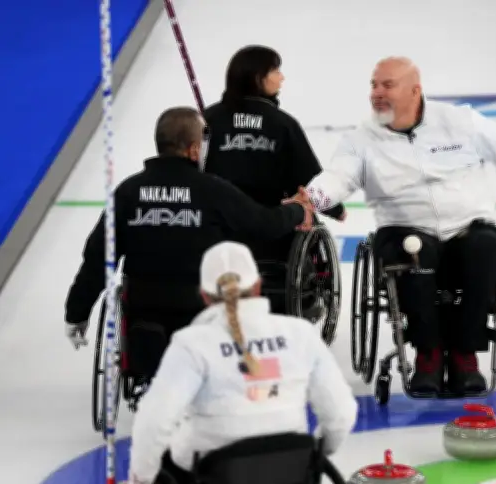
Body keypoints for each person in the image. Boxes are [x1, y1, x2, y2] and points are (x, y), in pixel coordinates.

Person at [287, 56, 496, 396]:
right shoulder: (361, 140)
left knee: (487, 248)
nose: (377, 93)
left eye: (388, 85)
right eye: (374, 85)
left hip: (467, 224)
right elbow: (338, 178)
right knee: (412, 255)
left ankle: (464, 355)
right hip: (404, 227)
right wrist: (311, 198)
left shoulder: (459, 121)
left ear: (415, 91)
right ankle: (428, 356)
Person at [64, 106, 314, 382]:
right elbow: (265, 224)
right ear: (194, 150)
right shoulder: (213, 190)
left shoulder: (128, 192)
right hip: (201, 316)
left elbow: (98, 258)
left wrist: (77, 312)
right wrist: (297, 210)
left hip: (144, 313)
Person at [123, 241, 358, 484]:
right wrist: (315, 454)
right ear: (257, 286)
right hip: (294, 482)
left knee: (167, 466)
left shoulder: (192, 344)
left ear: (204, 296)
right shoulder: (300, 333)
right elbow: (341, 413)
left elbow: (154, 420)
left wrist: (139, 480)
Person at [201, 45, 346, 310]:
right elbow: (307, 177)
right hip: (271, 225)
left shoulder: (207, 120)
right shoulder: (281, 124)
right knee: (301, 213)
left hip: (217, 226)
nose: (282, 77)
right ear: (258, 77)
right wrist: (335, 208)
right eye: (276, 71)